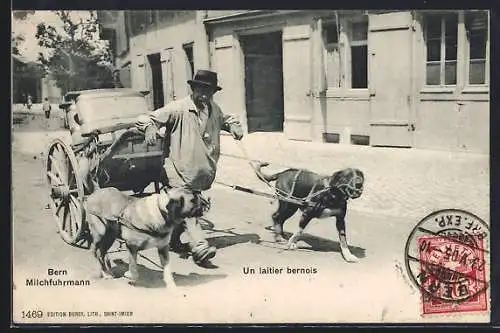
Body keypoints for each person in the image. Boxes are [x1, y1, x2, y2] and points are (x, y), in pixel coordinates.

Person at [135, 69, 244, 267]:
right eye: (200, 89)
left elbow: (226, 119)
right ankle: (200, 247)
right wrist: (150, 127)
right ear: (193, 89)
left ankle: (174, 241)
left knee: (182, 207)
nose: (204, 94)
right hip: (177, 170)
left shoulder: (213, 108)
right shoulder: (178, 109)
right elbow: (147, 118)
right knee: (188, 207)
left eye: (209, 91)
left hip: (200, 171)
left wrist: (234, 126)